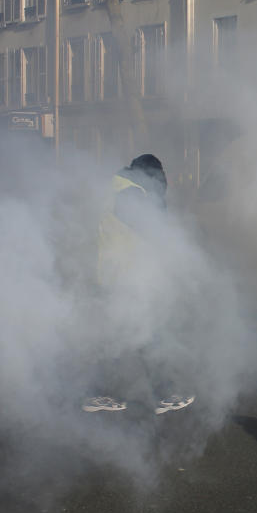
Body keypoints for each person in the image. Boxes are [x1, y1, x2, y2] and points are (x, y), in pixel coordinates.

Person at [84, 154, 195, 415]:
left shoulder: (117, 186)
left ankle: (100, 394)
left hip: (115, 276)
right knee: (147, 334)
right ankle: (165, 393)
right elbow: (151, 227)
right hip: (126, 278)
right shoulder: (129, 192)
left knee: (122, 338)